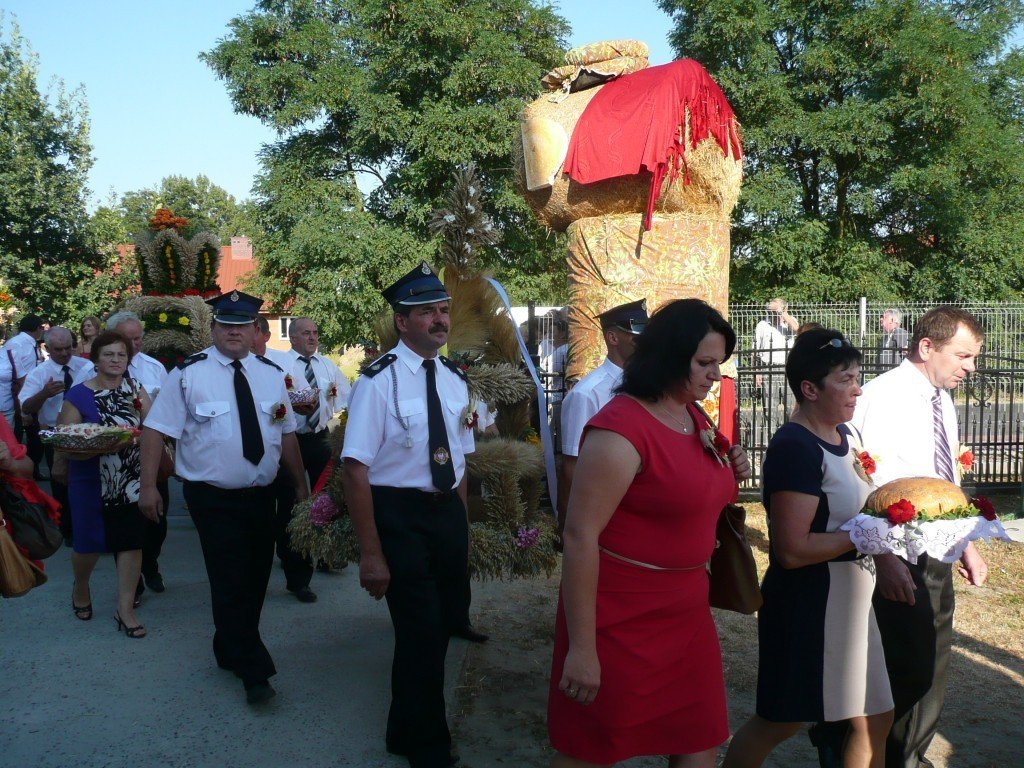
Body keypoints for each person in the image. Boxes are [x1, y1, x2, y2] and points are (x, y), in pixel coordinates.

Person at [549, 298, 750, 768]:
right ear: (669, 356)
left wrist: (732, 465)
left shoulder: (692, 415)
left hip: (687, 612)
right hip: (620, 617)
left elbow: (694, 493)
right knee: (594, 745)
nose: (715, 375)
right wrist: (582, 649)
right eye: (704, 363)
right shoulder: (620, 429)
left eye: (718, 363)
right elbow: (579, 537)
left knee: (698, 738)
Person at [810, 306, 988, 768]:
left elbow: (940, 478)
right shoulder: (882, 397)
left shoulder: (939, 398)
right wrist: (885, 558)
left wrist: (965, 543)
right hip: (897, 552)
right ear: (927, 347)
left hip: (935, 549)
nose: (970, 367)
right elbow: (862, 484)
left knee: (930, 663)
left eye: (973, 357)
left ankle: (907, 755)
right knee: (905, 666)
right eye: (963, 356)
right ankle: (852, 745)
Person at [723, 329, 893, 768]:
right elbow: (791, 550)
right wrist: (861, 537)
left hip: (851, 599)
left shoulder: (846, 435)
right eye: (845, 380)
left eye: (857, 377)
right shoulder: (795, 447)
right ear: (810, 389)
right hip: (809, 602)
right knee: (780, 722)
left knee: (875, 717)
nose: (857, 389)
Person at [139, 291, 307, 705]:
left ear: (255, 330)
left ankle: (228, 646)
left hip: (262, 494)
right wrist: (148, 487)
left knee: (257, 576)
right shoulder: (188, 374)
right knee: (230, 577)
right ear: (213, 329)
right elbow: (155, 430)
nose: (234, 332)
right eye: (226, 325)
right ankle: (255, 671)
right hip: (212, 498)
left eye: (242, 325)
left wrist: (301, 485)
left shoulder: (270, 374)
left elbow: (286, 433)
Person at [341, 261, 475, 768]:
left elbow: (460, 460)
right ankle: (428, 745)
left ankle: (402, 730)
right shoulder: (378, 381)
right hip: (398, 515)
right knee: (420, 631)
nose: (440, 320)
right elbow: (356, 469)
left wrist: (461, 525)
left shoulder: (455, 378)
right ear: (402, 321)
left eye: (443, 310)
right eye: (427, 312)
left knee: (439, 627)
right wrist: (371, 554)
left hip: (446, 515)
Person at [52, 331, 152, 638]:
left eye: (121, 355)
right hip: (89, 479)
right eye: (109, 354)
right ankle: (81, 586)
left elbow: (153, 426)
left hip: (130, 478)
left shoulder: (136, 389)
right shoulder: (79, 395)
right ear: (95, 359)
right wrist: (98, 445)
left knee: (131, 542)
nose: (116, 360)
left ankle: (125, 609)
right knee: (88, 544)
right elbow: (65, 439)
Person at [95, 311, 171, 596]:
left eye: (139, 338)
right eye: (129, 338)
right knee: (124, 524)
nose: (134, 344)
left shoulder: (154, 368)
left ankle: (150, 564)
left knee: (157, 520)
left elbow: (169, 409)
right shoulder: (90, 370)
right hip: (114, 462)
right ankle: (132, 583)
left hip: (151, 457)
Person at [557, 298, 648, 527]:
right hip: (604, 513)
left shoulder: (646, 385)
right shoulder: (587, 393)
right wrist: (569, 527)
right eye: (637, 337)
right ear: (613, 338)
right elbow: (572, 467)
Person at [20, 327, 94, 543]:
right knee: (62, 483)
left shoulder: (86, 367)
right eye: (58, 349)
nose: (64, 353)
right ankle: (68, 530)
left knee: (88, 483)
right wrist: (44, 394)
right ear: (48, 349)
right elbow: (25, 407)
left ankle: (88, 527)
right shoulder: (39, 373)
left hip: (87, 432)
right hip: (56, 435)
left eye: (68, 348)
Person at [753, 298, 799, 436]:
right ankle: (771, 438)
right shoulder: (762, 325)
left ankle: (792, 436)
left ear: (784, 310)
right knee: (769, 407)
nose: (773, 314)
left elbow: (798, 330)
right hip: (768, 368)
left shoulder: (790, 322)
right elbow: (755, 350)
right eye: (770, 311)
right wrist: (757, 371)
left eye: (775, 311)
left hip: (787, 369)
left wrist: (783, 314)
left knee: (791, 407)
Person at [0, 314, 45, 441]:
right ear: (37, 328)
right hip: (16, 400)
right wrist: (23, 408)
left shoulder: (28, 344)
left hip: (27, 397)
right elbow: (19, 378)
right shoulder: (15, 344)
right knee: (17, 437)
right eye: (42, 327)